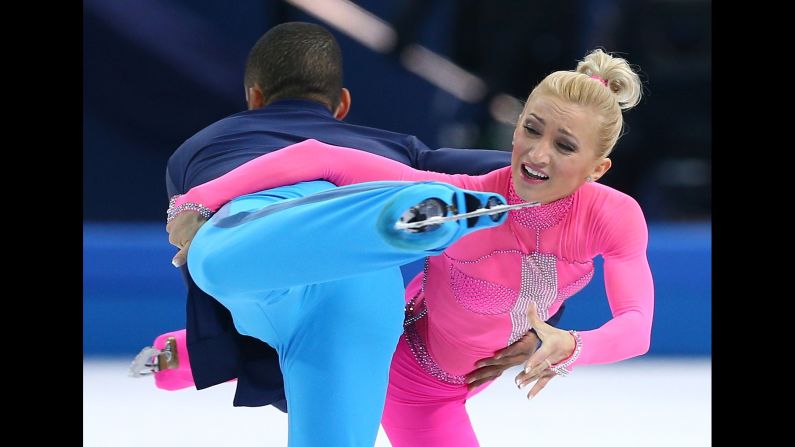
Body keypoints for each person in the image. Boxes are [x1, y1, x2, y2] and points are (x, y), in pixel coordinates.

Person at [167, 48, 653, 446]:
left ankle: (196, 349)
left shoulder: (612, 216)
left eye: (565, 146)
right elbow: (320, 157)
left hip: (447, 379)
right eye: (530, 128)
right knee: (312, 349)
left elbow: (637, 327)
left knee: (287, 356)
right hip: (415, 378)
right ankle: (193, 351)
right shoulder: (470, 197)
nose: (537, 153)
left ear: (597, 169)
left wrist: (571, 344)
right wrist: (198, 200)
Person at [154, 21, 562, 417]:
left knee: (215, 263)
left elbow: (204, 288)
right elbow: (536, 187)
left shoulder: (196, 151)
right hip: (362, 292)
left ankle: (397, 219)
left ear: (253, 97)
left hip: (256, 250)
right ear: (343, 104)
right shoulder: (396, 150)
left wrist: (223, 358)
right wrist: (536, 323)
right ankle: (399, 220)